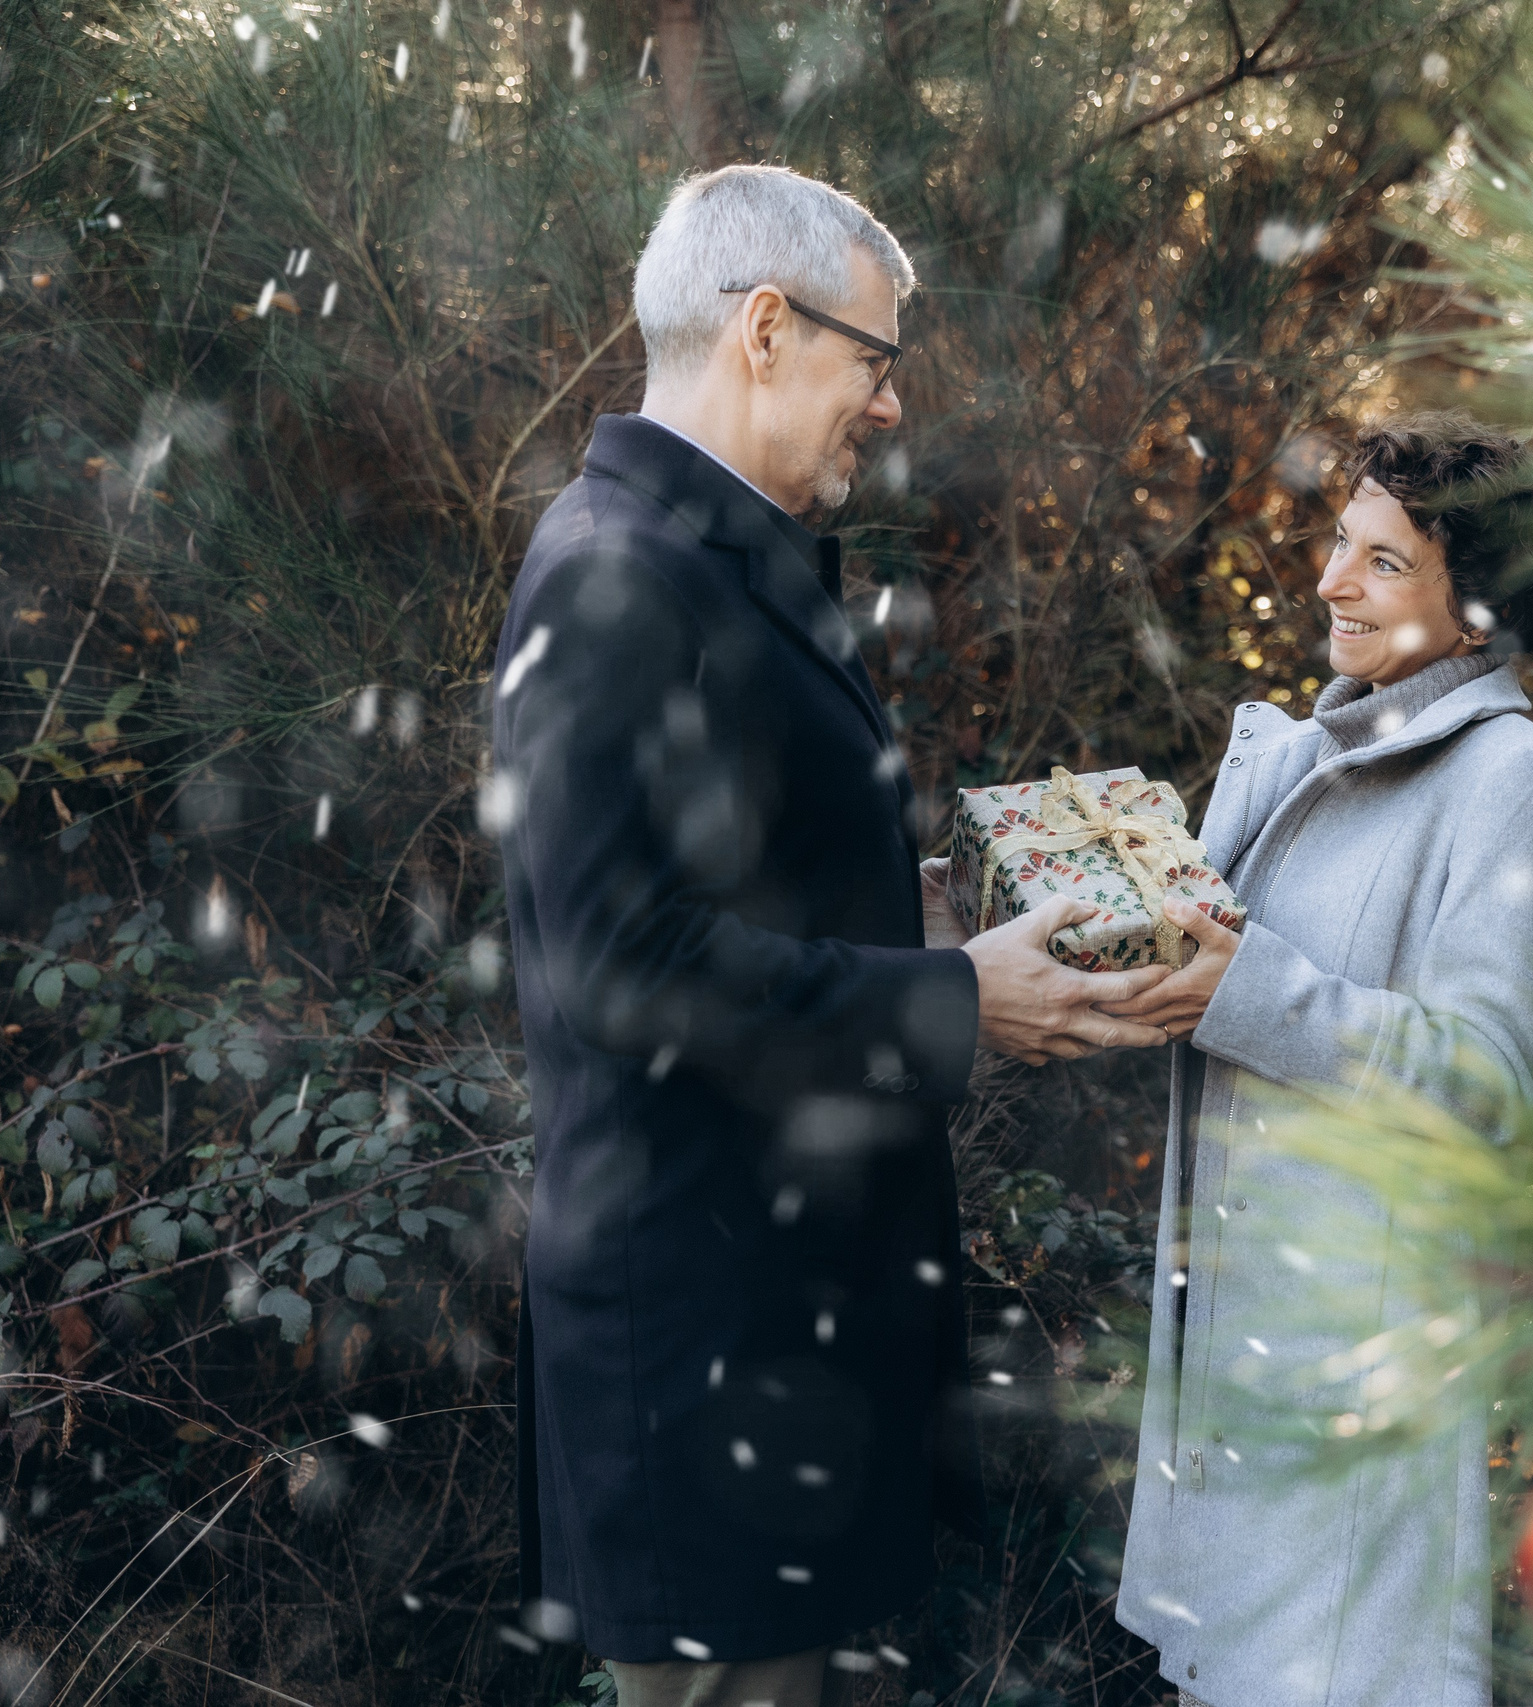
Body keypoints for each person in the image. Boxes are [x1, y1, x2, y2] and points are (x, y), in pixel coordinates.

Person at [489, 165, 1172, 1707]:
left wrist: (915, 917)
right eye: (875, 358)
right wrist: (953, 1004)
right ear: (765, 329)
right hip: (702, 1341)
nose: (888, 402)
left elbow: (722, 888)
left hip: (786, 1333)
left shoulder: (714, 554)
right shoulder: (614, 575)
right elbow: (620, 966)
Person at [1105, 413, 1533, 1706]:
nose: (1332, 582)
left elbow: (1485, 1084)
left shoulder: (1522, 785)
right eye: (1340, 543)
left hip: (1358, 1373)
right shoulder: (1303, 757)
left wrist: (1247, 989)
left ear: (1480, 612)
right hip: (1228, 1363)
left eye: (1384, 562)